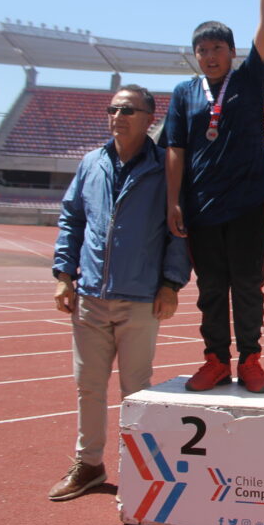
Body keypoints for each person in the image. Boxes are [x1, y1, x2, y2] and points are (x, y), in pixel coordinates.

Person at [50, 85, 190, 501]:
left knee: (137, 389)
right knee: (88, 387)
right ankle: (89, 464)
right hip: (90, 294)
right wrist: (63, 273)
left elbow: (178, 230)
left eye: (128, 110)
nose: (118, 116)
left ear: (151, 117)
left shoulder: (165, 167)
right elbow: (72, 219)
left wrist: (171, 283)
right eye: (113, 109)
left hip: (140, 297)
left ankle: (136, 470)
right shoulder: (91, 163)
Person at [165, 0, 264, 393]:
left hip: (249, 200)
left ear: (232, 52)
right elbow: (176, 148)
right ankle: (215, 359)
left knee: (248, 283)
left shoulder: (250, 79)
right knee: (211, 288)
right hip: (201, 205)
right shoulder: (183, 94)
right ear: (196, 56)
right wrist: (174, 201)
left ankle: (250, 358)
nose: (210, 56)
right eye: (203, 50)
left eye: (217, 49)